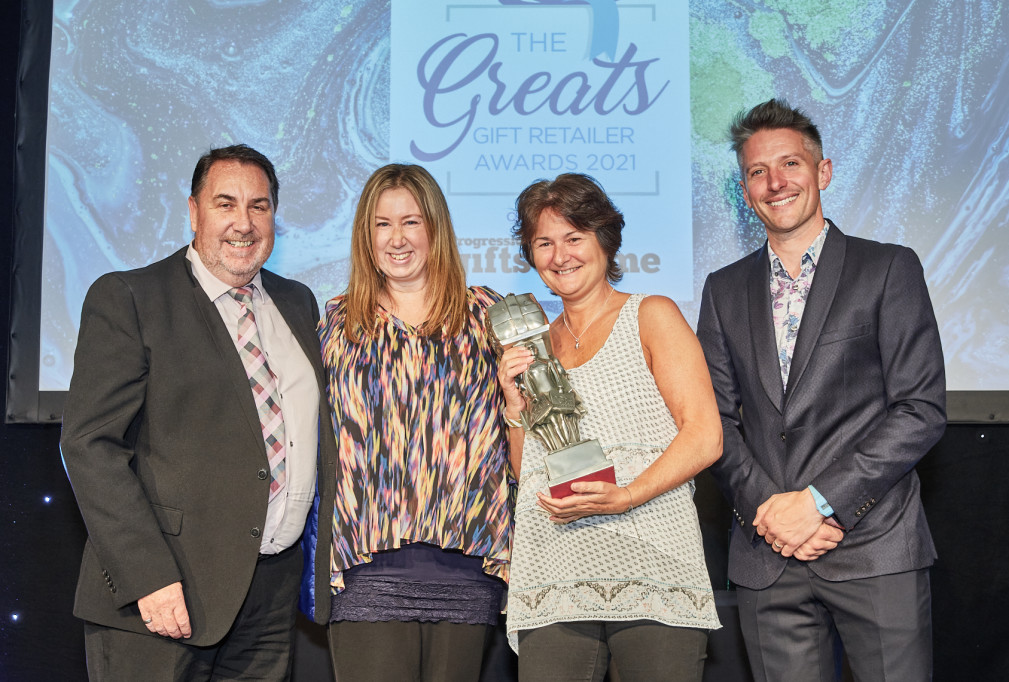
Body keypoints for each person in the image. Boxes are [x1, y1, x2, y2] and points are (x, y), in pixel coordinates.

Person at [60, 144, 336, 680]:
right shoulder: (131, 297)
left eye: (259, 206)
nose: (243, 223)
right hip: (164, 593)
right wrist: (147, 577)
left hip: (271, 596)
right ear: (193, 212)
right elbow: (89, 445)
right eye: (225, 204)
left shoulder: (298, 302)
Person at [696, 99, 947, 682]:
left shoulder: (888, 268)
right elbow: (714, 421)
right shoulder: (722, 289)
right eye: (758, 171)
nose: (776, 182)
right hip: (768, 556)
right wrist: (770, 513)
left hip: (875, 545)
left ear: (823, 172)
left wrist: (816, 503)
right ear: (745, 188)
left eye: (790, 165)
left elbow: (921, 409)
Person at [499, 173, 723, 682]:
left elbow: (705, 436)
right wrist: (514, 406)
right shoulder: (532, 346)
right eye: (544, 243)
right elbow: (528, 470)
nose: (560, 256)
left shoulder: (652, 315)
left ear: (605, 239)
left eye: (574, 238)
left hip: (652, 571)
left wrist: (627, 495)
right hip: (554, 575)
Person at [301, 163, 514, 681]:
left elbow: (523, 431)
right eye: (382, 224)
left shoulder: (490, 315)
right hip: (364, 571)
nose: (396, 239)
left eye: (411, 222)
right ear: (364, 234)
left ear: (435, 228)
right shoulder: (334, 324)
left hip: (468, 566)